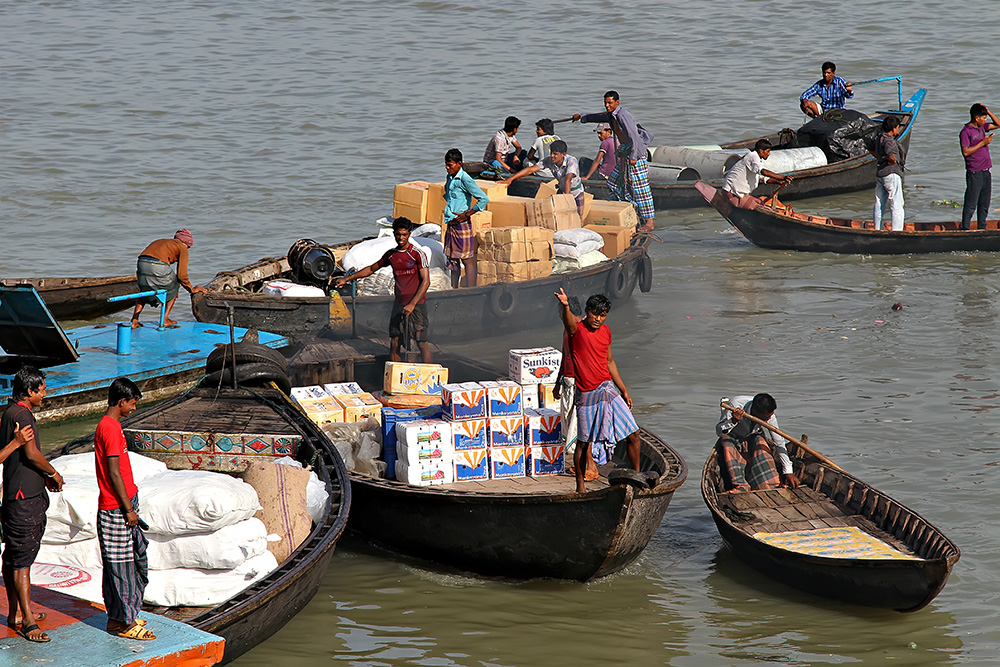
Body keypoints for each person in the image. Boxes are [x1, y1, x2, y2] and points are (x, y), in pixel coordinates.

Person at [555, 289, 641, 493]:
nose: (598, 319)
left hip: (607, 389)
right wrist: (566, 306)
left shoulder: (606, 331)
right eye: (595, 314)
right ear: (587, 311)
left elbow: (610, 361)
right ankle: (580, 486)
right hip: (586, 394)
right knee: (584, 443)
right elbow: (568, 322)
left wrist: (624, 390)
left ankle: (637, 478)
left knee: (634, 433)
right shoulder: (576, 331)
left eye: (603, 315)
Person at [1, 366, 64, 643]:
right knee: (22, 561)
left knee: (13, 557)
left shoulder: (9, 410)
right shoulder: (22, 415)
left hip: (17, 495)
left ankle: (16, 612)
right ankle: (27, 621)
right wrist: (53, 473)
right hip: (23, 500)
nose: (45, 394)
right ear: (29, 391)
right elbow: (32, 453)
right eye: (43, 389)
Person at [95, 377, 155, 641]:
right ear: (121, 402)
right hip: (116, 507)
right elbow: (114, 472)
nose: (133, 408)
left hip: (123, 503)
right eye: (132, 403)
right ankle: (127, 622)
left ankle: (119, 617)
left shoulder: (113, 425)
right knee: (123, 567)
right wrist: (128, 509)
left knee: (126, 563)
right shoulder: (108, 428)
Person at [336, 217, 433, 362]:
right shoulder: (391, 255)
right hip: (399, 304)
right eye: (398, 234)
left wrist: (412, 304)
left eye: (404, 234)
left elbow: (426, 281)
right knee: (395, 343)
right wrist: (347, 279)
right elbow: (371, 269)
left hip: (416, 306)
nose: (401, 238)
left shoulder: (417, 254)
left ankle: (429, 377)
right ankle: (394, 376)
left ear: (409, 234)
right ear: (394, 234)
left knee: (422, 343)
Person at [572, 91, 656, 231]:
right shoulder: (612, 115)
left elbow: (634, 136)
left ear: (617, 102)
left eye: (610, 103)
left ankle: (649, 222)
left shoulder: (623, 115)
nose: (607, 105)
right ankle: (628, 211)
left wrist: (634, 157)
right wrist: (581, 116)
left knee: (641, 188)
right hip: (624, 151)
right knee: (613, 183)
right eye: (605, 103)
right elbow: (596, 117)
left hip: (635, 152)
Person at [715, 393, 800, 492]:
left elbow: (779, 442)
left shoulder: (769, 415)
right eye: (766, 417)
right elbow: (719, 432)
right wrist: (733, 421)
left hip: (753, 435)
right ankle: (741, 485)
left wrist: (788, 471)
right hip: (733, 435)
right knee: (726, 444)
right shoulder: (735, 405)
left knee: (761, 444)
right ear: (755, 412)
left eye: (771, 415)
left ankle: (769, 485)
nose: (769, 419)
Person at [553, 296, 598, 481]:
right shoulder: (568, 329)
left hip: (580, 383)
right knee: (575, 424)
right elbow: (566, 356)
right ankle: (581, 464)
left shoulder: (581, 330)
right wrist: (558, 383)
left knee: (582, 427)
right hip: (568, 381)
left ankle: (591, 466)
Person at [130, 229, 207, 328]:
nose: (188, 249)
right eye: (189, 247)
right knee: (175, 284)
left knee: (145, 290)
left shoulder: (163, 241)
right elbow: (182, 275)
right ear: (186, 244)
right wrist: (191, 290)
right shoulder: (182, 247)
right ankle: (165, 319)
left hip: (141, 263)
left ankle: (134, 320)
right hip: (157, 265)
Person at [438, 148, 488, 289]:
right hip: (451, 223)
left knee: (466, 259)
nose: (447, 168)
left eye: (450, 165)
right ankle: (454, 289)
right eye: (446, 165)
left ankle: (471, 291)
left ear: (459, 163)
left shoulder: (465, 179)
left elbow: (483, 199)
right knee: (453, 259)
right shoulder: (450, 178)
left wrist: (468, 213)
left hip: (462, 224)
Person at [502, 140, 586, 217]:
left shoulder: (571, 161)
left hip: (576, 192)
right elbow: (530, 169)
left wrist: (566, 201)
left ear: (563, 154)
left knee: (577, 218)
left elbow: (568, 180)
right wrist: (510, 179)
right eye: (551, 153)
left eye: (555, 154)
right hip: (562, 190)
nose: (552, 156)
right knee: (558, 216)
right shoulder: (549, 160)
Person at [960, 103, 1000, 231]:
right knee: (971, 203)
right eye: (983, 118)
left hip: (986, 171)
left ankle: (982, 227)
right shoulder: (966, 132)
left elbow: (999, 124)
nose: (985, 120)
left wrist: (988, 112)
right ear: (976, 118)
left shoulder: (983, 127)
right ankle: (965, 228)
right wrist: (983, 142)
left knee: (984, 203)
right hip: (974, 172)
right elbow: (965, 152)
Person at [722, 139, 792, 200]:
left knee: (759, 201)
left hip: (737, 192)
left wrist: (778, 182)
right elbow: (763, 172)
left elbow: (763, 178)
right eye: (768, 151)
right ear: (761, 151)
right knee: (757, 203)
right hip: (731, 191)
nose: (769, 154)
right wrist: (782, 177)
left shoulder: (757, 159)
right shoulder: (753, 156)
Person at [873, 115, 906, 231]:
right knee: (896, 204)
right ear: (894, 129)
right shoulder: (889, 140)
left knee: (879, 203)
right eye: (897, 127)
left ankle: (877, 229)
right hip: (891, 173)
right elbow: (890, 154)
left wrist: (881, 159)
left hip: (881, 173)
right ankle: (897, 231)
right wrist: (894, 161)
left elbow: (872, 150)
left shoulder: (879, 138)